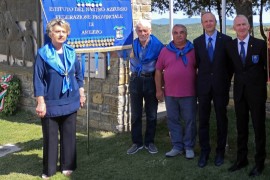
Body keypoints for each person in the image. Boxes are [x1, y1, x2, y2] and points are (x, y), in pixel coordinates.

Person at [33, 18, 86, 179]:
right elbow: (38, 79)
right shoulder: (43, 54)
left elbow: (79, 75)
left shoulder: (71, 52)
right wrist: (40, 102)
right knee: (50, 137)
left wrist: (81, 93)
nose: (61, 34)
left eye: (64, 31)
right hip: (51, 102)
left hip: (71, 99)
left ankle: (67, 165)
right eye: (57, 31)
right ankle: (48, 169)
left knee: (69, 135)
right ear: (50, 34)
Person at [226, 15, 267, 177]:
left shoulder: (260, 44)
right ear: (234, 28)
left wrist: (260, 86)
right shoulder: (230, 46)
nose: (241, 27)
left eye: (244, 24)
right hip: (239, 93)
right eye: (238, 25)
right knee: (241, 128)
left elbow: (266, 70)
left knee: (259, 128)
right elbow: (230, 69)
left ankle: (259, 163)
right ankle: (241, 159)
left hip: (257, 94)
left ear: (249, 26)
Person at [193, 12, 232, 167]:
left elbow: (230, 66)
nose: (208, 23)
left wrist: (224, 80)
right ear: (202, 24)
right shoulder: (197, 42)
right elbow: (196, 64)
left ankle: (220, 152)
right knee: (203, 120)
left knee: (222, 120)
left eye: (211, 21)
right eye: (205, 21)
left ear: (215, 22)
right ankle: (204, 151)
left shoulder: (226, 40)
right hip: (203, 87)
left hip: (220, 86)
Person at [155, 24, 197, 159]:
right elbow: (158, 71)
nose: (179, 35)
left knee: (190, 120)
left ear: (186, 34)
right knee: (173, 120)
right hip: (170, 93)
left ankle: (189, 146)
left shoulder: (193, 50)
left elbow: (201, 70)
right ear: (172, 34)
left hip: (189, 93)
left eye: (182, 32)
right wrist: (158, 90)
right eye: (176, 33)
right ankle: (177, 146)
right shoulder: (165, 51)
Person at [126, 19, 164, 155]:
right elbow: (118, 54)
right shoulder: (130, 45)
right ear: (136, 32)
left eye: (145, 30)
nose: (142, 33)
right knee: (135, 114)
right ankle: (137, 142)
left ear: (150, 31)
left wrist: (161, 87)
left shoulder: (158, 46)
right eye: (139, 30)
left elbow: (162, 66)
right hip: (135, 79)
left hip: (151, 80)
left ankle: (149, 142)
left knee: (152, 114)